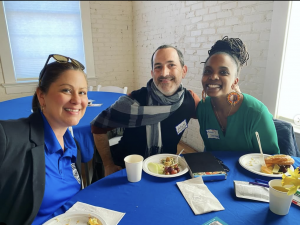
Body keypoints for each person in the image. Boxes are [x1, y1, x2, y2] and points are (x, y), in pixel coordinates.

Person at [0, 54, 90, 225]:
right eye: (66, 90)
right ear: (42, 96)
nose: (77, 100)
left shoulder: (72, 145)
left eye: (82, 92)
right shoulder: (8, 137)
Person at [91, 45, 200, 177]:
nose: (164, 73)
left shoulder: (189, 101)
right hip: (127, 171)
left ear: (184, 71)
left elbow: (210, 118)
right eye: (158, 67)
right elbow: (98, 127)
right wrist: (108, 165)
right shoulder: (132, 102)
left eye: (171, 65)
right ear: (152, 73)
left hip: (166, 171)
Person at [197, 36, 280, 154]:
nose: (213, 77)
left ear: (235, 81)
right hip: (215, 171)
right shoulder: (202, 108)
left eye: (223, 72)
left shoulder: (256, 113)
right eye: (208, 71)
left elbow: (272, 161)